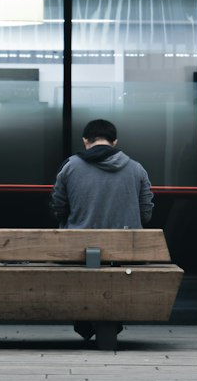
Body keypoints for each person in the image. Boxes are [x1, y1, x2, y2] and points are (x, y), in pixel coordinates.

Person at [50, 118, 154, 342]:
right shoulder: (137, 169)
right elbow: (146, 213)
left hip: (79, 251)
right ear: (114, 141)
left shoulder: (69, 166)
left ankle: (86, 322)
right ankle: (108, 322)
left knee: (85, 267)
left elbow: (58, 206)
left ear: (85, 140)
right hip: (125, 252)